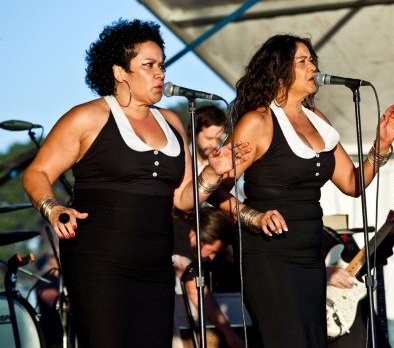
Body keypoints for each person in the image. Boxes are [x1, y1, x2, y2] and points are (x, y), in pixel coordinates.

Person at [22, 18, 249, 348]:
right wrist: (52, 207)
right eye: (149, 65)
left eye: (162, 64)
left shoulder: (171, 122)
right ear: (119, 72)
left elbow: (184, 200)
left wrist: (212, 174)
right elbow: (37, 173)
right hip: (99, 261)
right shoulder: (88, 117)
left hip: (155, 262)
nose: (160, 73)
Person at [209, 34, 394, 347]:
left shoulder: (319, 121)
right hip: (268, 254)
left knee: (313, 340)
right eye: (303, 61)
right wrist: (252, 216)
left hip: (311, 253)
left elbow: (352, 183)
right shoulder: (257, 121)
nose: (313, 67)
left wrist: (381, 145)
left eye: (312, 60)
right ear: (280, 70)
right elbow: (214, 190)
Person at [173, 206, 245, 348]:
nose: (212, 258)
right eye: (211, 251)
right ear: (195, 238)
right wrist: (230, 335)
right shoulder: (180, 241)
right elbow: (195, 289)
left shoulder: (196, 236)